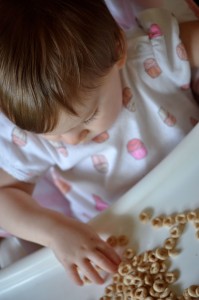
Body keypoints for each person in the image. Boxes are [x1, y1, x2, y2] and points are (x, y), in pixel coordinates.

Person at [0, 0, 199, 285]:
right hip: (122, 237)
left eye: (88, 116)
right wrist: (54, 232)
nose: (72, 139)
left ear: (118, 49)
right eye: (52, 133)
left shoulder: (152, 57)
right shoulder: (31, 138)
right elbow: (4, 196)